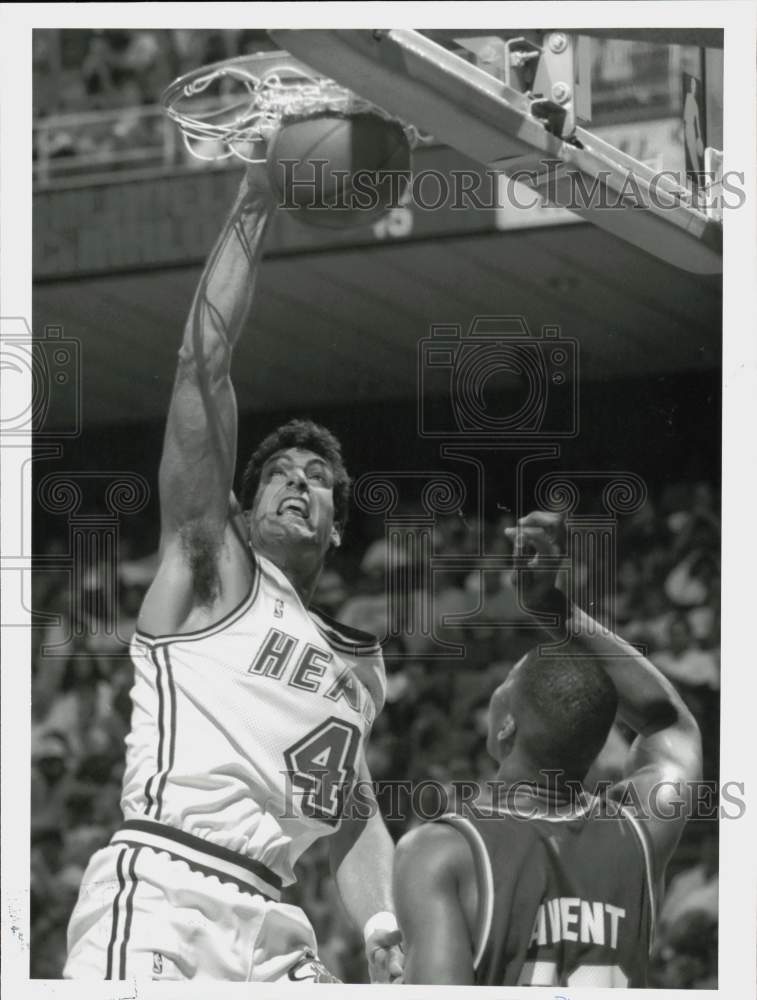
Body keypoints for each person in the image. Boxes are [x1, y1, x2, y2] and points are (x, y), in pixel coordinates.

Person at [64, 165, 403, 983]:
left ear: (336, 522)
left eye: (317, 477)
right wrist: (257, 198)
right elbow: (201, 363)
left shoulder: (361, 668)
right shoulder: (210, 566)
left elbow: (352, 816)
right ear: (241, 514)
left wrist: (385, 921)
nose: (298, 480)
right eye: (280, 472)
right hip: (164, 889)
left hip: (278, 920)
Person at [394, 510, 702, 987]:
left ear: (506, 728)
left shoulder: (441, 852)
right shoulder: (642, 832)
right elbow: (669, 722)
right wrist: (555, 610)